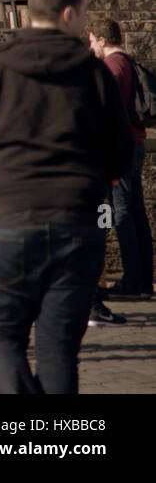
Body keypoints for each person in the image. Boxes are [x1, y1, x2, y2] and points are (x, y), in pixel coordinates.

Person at [0, 0, 133, 393]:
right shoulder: (94, 74)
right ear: (68, 14)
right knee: (58, 349)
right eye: (84, 14)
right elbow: (121, 152)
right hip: (75, 223)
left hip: (7, 221)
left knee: (2, 338)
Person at [88, 17, 153, 299]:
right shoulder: (128, 61)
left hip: (121, 146)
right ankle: (141, 279)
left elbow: (103, 105)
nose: (91, 46)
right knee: (135, 210)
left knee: (123, 212)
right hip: (133, 143)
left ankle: (133, 280)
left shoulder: (112, 66)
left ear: (102, 40)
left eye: (92, 41)